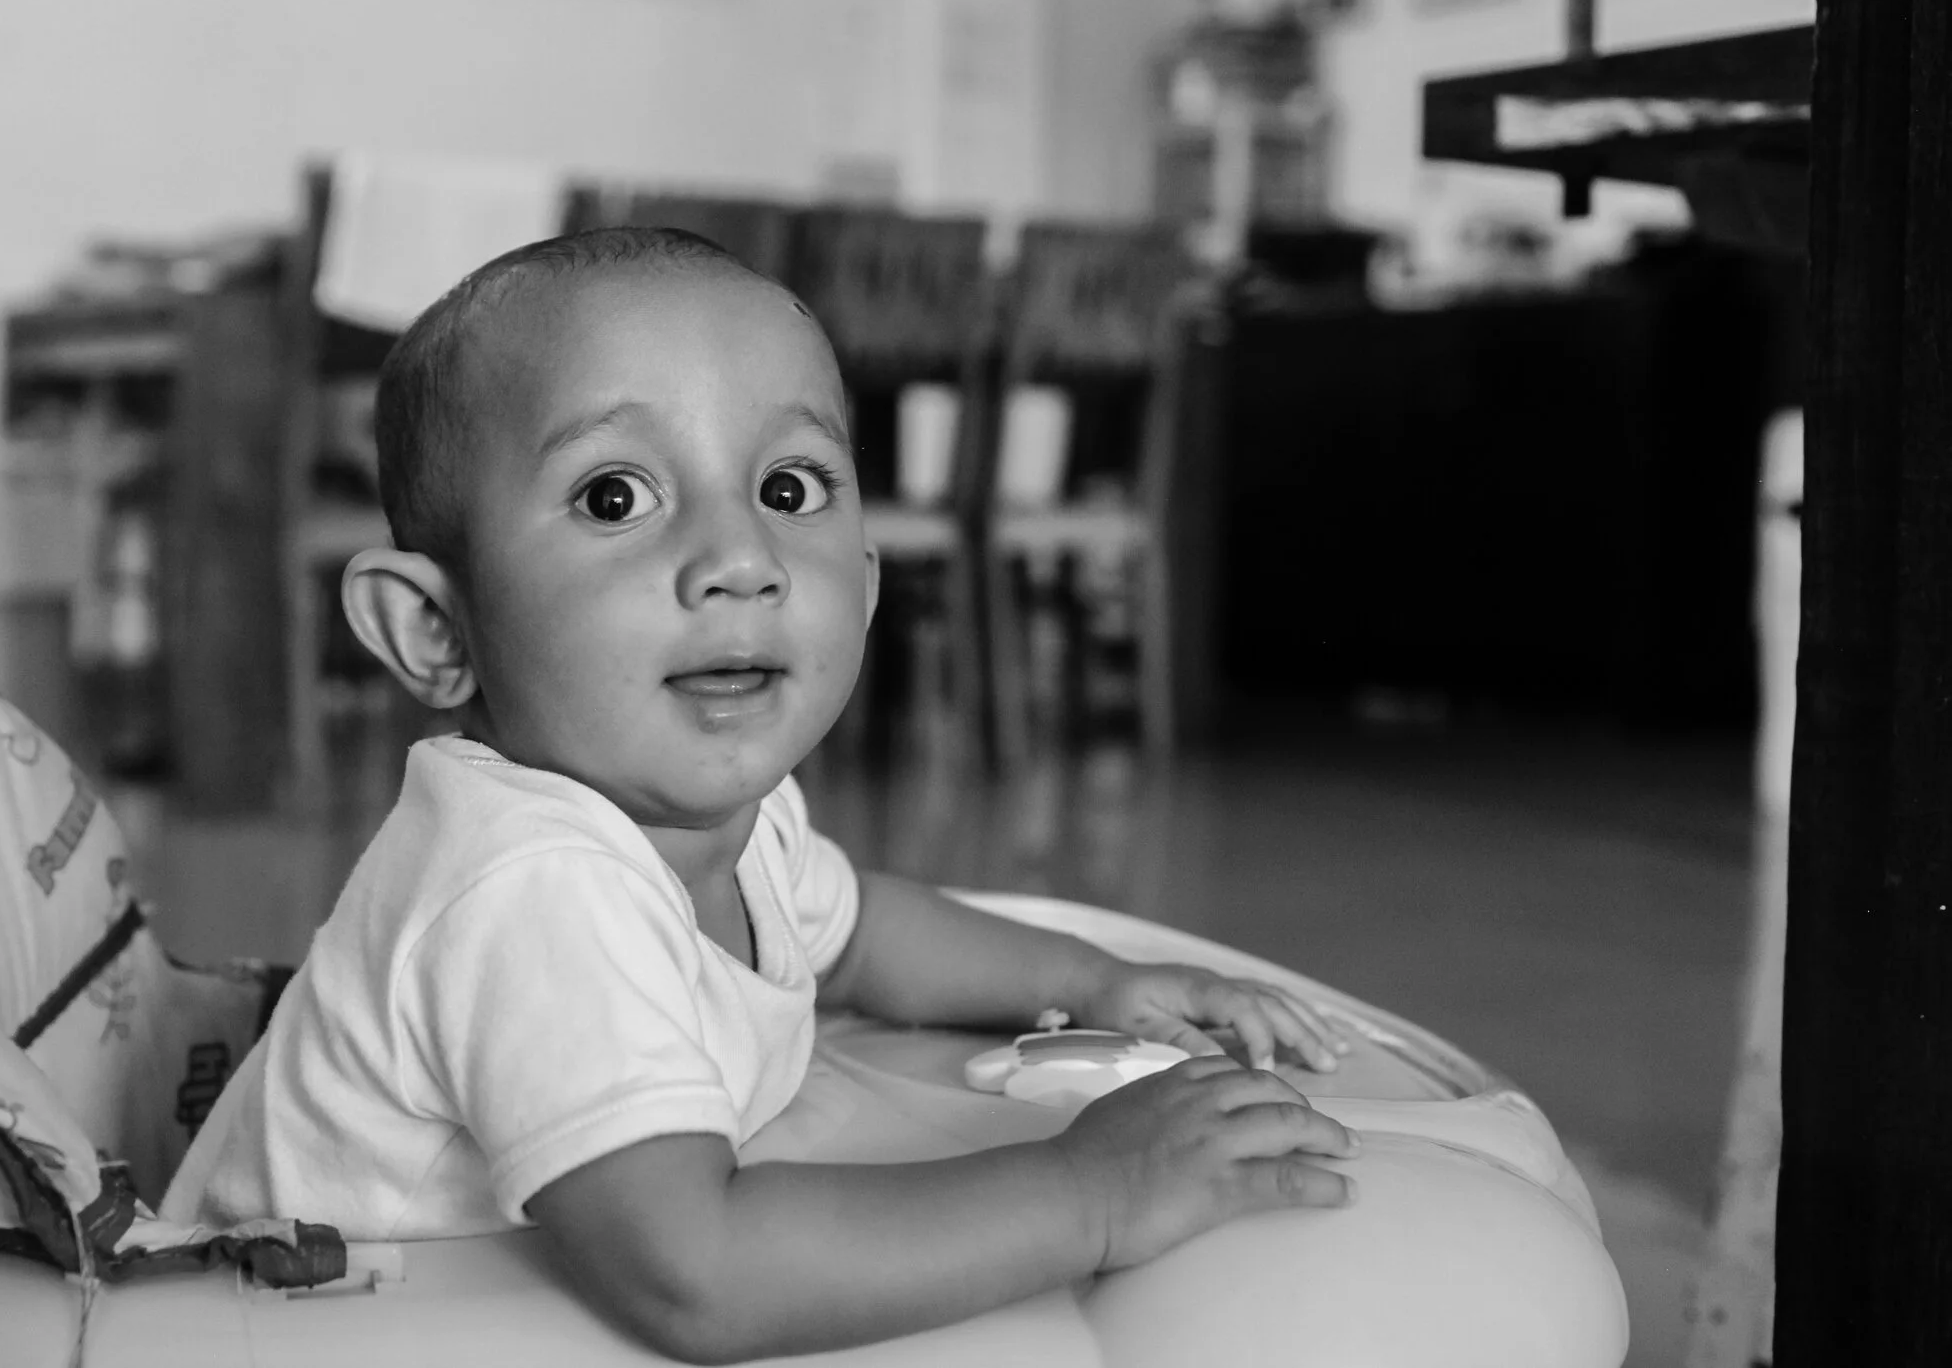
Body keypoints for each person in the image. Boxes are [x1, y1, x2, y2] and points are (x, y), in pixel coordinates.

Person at [164, 228, 1359, 1362]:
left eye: (788, 488)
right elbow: (700, 1271)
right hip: (279, 1336)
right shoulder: (530, 883)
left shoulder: (724, 816)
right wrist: (1086, 1188)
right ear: (437, 627)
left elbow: (861, 933)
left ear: (868, 581)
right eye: (616, 496)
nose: (741, 559)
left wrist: (1095, 983)